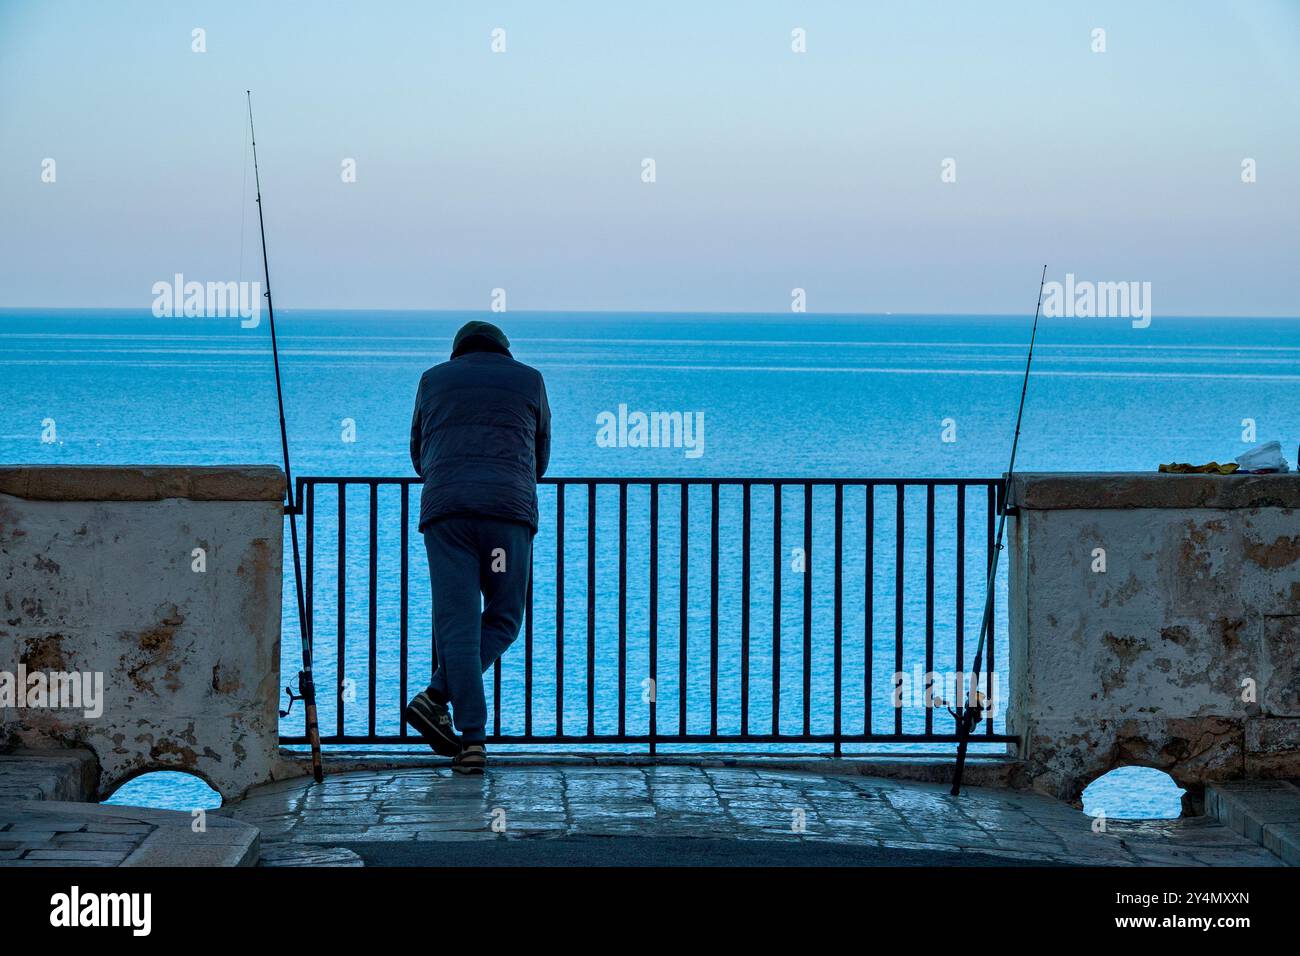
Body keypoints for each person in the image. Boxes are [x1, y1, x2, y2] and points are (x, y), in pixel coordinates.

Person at [403, 320, 550, 774]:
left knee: (458, 627)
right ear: (504, 350)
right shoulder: (530, 379)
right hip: (506, 514)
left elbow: (417, 451)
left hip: (448, 513)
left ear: (458, 352)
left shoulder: (433, 380)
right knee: (504, 618)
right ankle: (436, 701)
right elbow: (541, 455)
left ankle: (469, 738)